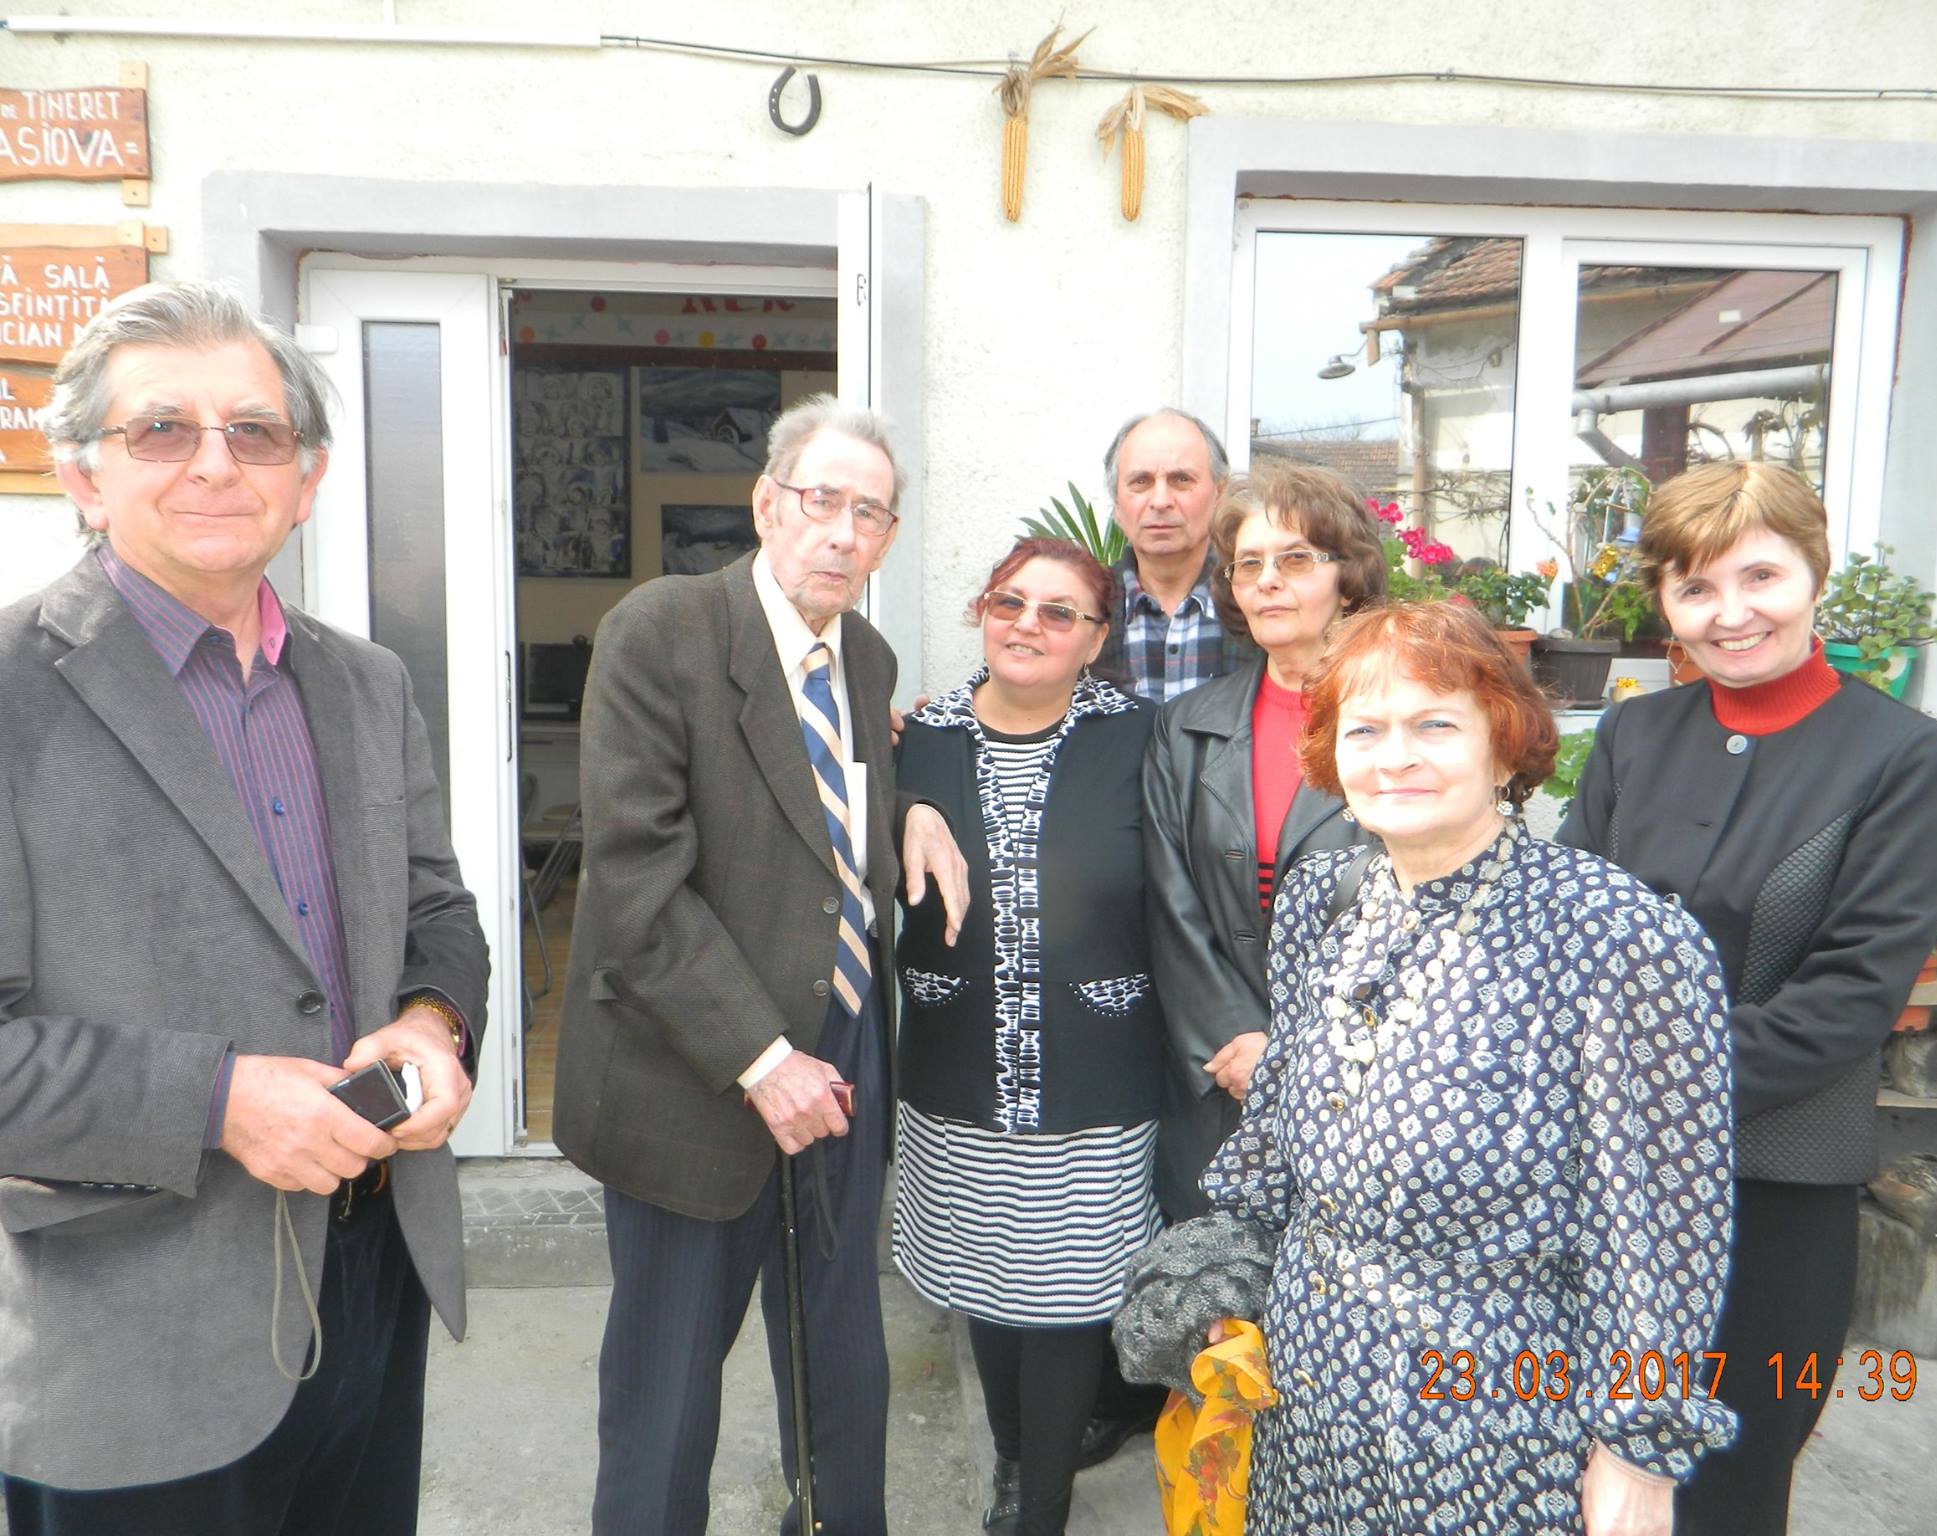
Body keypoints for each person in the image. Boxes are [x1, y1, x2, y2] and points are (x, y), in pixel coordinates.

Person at [0, 281, 489, 1534]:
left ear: (305, 480)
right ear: (85, 476)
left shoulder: (367, 683)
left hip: (370, 1278)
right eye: (162, 429)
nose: (216, 463)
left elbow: (436, 908)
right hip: (131, 1345)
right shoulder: (10, 694)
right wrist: (219, 1100)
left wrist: (431, 1023)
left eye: (255, 432)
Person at [1120, 600, 1736, 1536]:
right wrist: (1227, 1286)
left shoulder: (1619, 937)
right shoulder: (1324, 901)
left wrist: (1638, 1451)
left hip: (1496, 1424)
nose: (1395, 757)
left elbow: (1661, 1232)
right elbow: (1274, 1143)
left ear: (1506, 745)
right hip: (1308, 1407)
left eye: (1436, 725)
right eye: (1365, 730)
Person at [552, 395, 969, 1536]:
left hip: (843, 1059)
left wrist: (916, 805)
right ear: (766, 504)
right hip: (698, 1071)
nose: (843, 532)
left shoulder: (866, 657)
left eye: (870, 514)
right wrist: (761, 1057)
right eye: (821, 501)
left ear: (888, 538)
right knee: (667, 1396)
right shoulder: (665, 629)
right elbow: (635, 883)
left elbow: (827, 811)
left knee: (841, 1364)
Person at [1557, 461, 1937, 1536]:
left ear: (1814, 573)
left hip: (1772, 1186)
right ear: (1664, 603)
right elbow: (1562, 929)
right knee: (1573, 1464)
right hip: (1597, 1182)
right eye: (1695, 588)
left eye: (1760, 577)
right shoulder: (1635, 735)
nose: (1729, 614)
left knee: (1727, 1481)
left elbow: (1853, 990)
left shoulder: (1898, 752)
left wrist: (1641, 1088)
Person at [891, 539, 1163, 1536]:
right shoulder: (918, 737)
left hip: (1095, 1066)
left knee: (1067, 1296)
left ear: (1095, 640)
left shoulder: (1141, 738)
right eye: (1009, 602)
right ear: (981, 611)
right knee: (983, 1277)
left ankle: (1038, 1507)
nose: (1028, 626)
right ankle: (1013, 1463)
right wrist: (902, 801)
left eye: (1060, 613)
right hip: (956, 1058)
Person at [1145, 460, 1386, 1226]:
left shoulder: (1400, 720)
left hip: (1363, 1085)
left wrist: (1290, 1055)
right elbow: (1172, 905)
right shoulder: (1187, 726)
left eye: (1295, 559)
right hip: (1220, 1079)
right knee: (1217, 1288)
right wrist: (1238, 1038)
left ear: (1347, 577)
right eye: (1249, 565)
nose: (1268, 582)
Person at [1092, 408, 1258, 701]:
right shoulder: (1086, 609)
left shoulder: (1260, 600)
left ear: (1220, 494)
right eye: (1140, 481)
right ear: (1117, 503)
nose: (1160, 501)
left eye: (1181, 479)